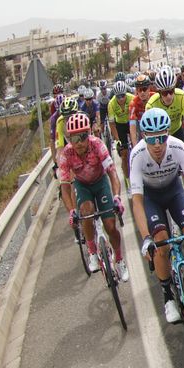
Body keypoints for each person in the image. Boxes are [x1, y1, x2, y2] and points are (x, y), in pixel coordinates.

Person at [129, 107, 184, 324]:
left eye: (161, 137)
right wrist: (145, 237)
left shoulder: (177, 147)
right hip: (151, 198)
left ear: (167, 134)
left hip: (174, 191)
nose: (157, 144)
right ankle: (167, 296)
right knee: (161, 245)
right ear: (143, 137)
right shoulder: (137, 155)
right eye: (151, 139)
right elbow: (137, 201)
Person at [57, 113, 128, 281]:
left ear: (88, 134)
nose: (79, 143)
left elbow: (112, 172)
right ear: (69, 139)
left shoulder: (97, 145)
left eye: (83, 137)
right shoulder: (66, 155)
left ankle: (119, 260)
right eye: (74, 139)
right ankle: (92, 252)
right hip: (82, 185)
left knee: (110, 226)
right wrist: (71, 211)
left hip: (100, 181)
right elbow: (65, 187)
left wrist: (117, 197)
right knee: (86, 212)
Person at [142, 66, 184, 165]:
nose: (169, 96)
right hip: (159, 136)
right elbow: (149, 135)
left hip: (177, 131)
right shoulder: (151, 105)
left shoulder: (182, 97)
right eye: (165, 93)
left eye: (171, 91)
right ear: (159, 92)